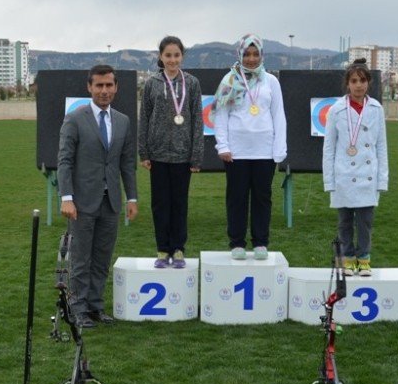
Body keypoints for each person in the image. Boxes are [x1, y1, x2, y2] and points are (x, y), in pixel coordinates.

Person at [58, 64, 139, 328]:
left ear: (116, 87)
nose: (104, 91)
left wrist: (132, 198)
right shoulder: (75, 118)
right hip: (81, 202)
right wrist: (66, 197)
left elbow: (127, 163)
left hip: (111, 201)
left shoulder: (123, 121)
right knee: (81, 258)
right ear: (89, 87)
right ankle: (77, 308)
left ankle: (95, 307)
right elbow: (65, 161)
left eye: (109, 85)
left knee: (102, 257)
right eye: (99, 86)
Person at [213, 34, 287, 260]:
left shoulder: (271, 82)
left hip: (264, 151)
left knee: (262, 198)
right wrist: (222, 145)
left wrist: (279, 149)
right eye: (247, 54)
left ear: (262, 55)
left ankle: (260, 242)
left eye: (255, 54)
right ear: (240, 54)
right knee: (237, 197)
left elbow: (278, 115)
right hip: (236, 152)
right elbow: (220, 115)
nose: (251, 59)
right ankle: (236, 242)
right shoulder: (230, 80)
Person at [139, 36, 204, 269]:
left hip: (182, 154)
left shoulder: (192, 83)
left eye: (176, 55)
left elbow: (198, 119)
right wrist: (143, 151)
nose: (172, 60)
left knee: (179, 203)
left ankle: (178, 249)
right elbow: (144, 118)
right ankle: (162, 249)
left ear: (182, 56)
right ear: (160, 57)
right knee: (160, 204)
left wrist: (196, 154)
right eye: (168, 55)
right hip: (157, 155)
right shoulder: (152, 84)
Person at [322, 58, 388, 277]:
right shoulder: (336, 110)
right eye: (354, 81)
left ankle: (364, 258)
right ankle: (347, 259)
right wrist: (329, 181)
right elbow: (329, 148)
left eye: (362, 80)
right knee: (345, 222)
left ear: (368, 82)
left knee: (365, 222)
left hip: (367, 175)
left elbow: (381, 147)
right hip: (344, 175)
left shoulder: (376, 109)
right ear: (347, 84)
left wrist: (382, 179)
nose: (358, 85)